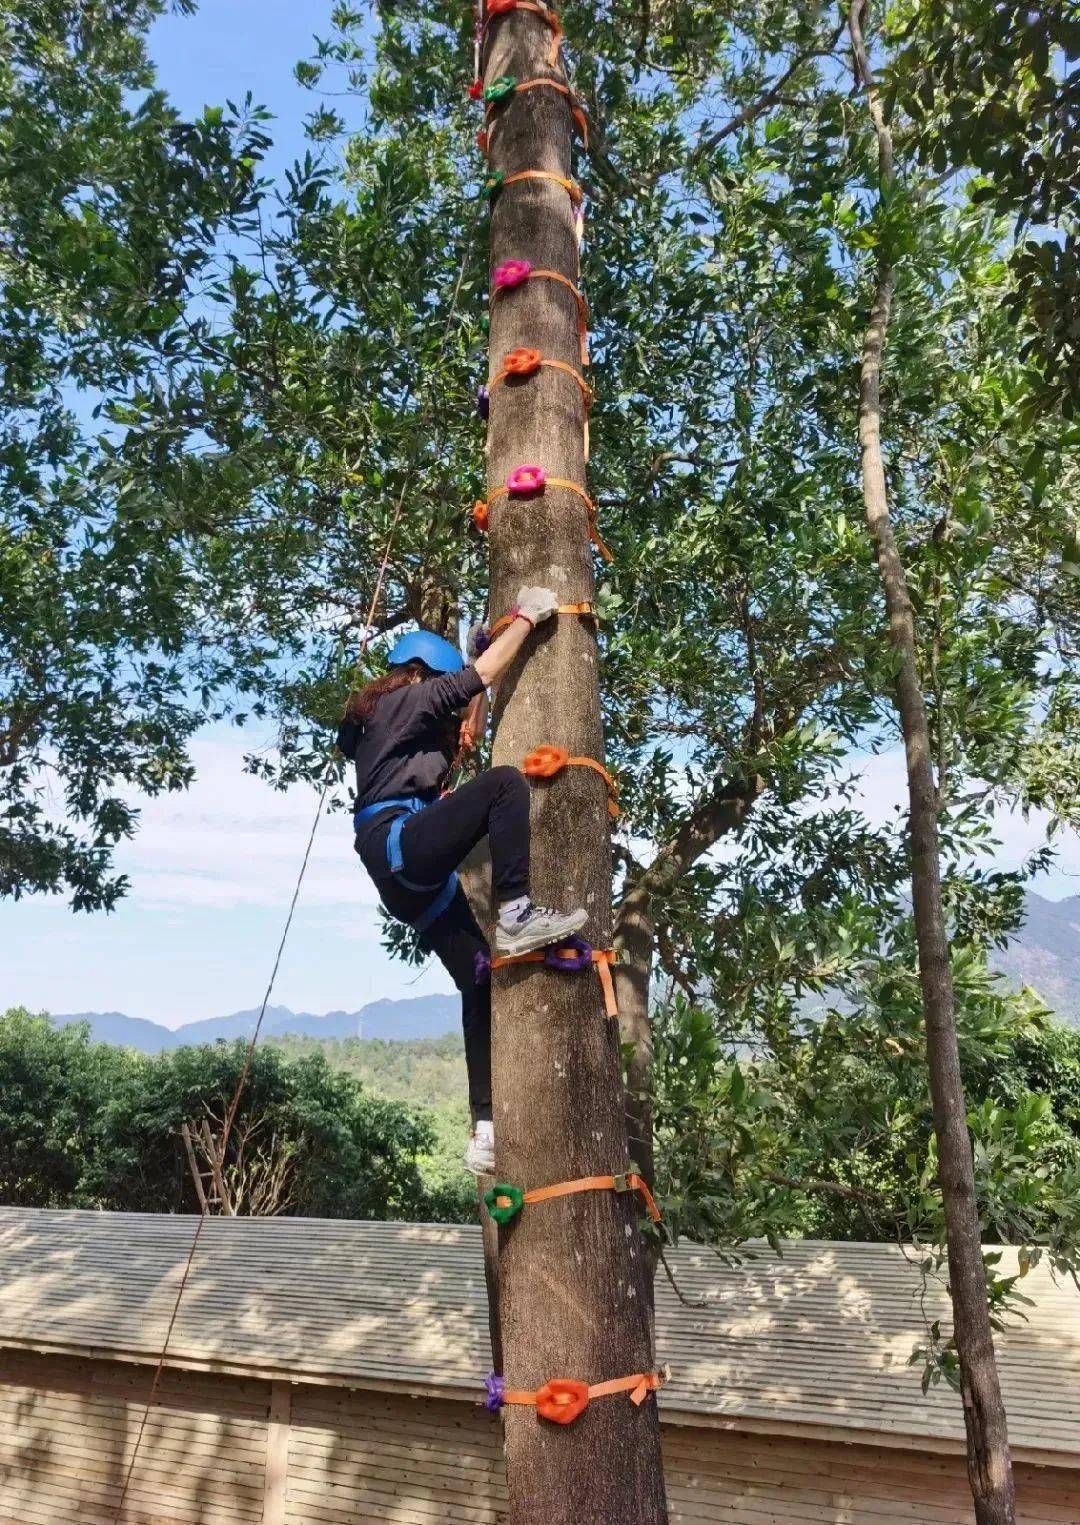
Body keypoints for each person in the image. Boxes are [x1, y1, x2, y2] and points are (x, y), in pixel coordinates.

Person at [336, 587, 587, 1174]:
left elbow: (471, 712)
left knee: (479, 981)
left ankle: (485, 1128)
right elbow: (478, 678)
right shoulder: (400, 706)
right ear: (418, 674)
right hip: (401, 845)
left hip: (408, 878)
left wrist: (485, 647)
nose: (448, 714)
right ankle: (517, 911)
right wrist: (525, 618)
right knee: (504, 785)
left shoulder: (393, 730)